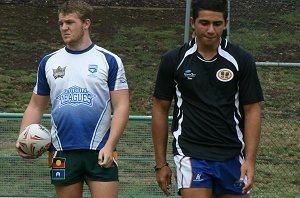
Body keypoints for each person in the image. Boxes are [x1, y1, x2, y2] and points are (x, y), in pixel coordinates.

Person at [16, 1, 129, 198]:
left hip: (100, 150)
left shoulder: (109, 60)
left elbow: (121, 106)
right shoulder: (49, 62)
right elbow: (36, 105)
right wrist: (23, 138)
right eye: (61, 23)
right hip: (61, 152)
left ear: (86, 23)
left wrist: (110, 145)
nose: (64, 28)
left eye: (70, 22)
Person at [151, 0, 264, 197]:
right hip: (191, 154)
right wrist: (160, 164)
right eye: (204, 23)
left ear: (225, 23)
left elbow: (252, 109)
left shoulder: (241, 59)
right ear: (193, 22)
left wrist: (250, 161)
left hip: (232, 156)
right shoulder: (174, 60)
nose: (211, 30)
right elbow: (160, 109)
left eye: (217, 24)